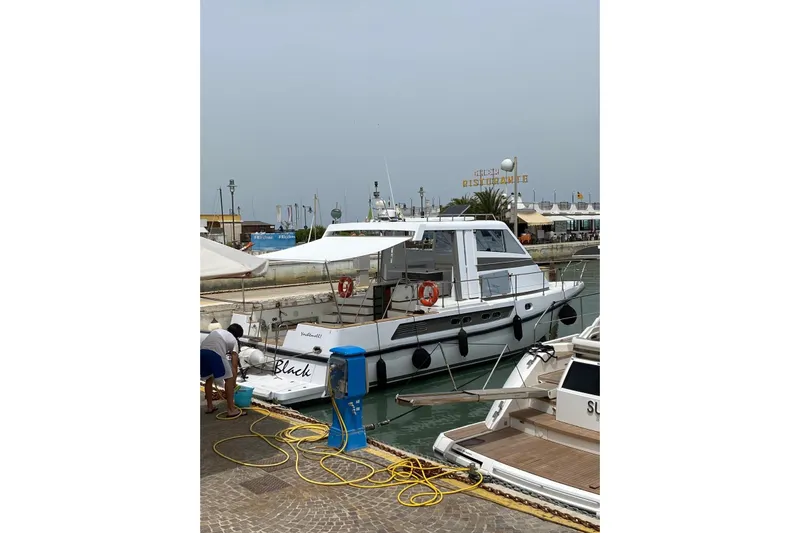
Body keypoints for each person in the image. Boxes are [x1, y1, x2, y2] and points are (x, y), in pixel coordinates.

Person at [201, 323, 246, 418]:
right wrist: (233, 382)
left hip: (202, 352)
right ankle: (231, 410)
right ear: (237, 335)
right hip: (215, 353)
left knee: (209, 379)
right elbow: (234, 365)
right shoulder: (234, 340)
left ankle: (210, 407)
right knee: (228, 379)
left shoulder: (218, 331)